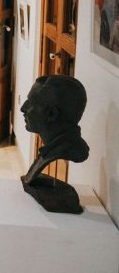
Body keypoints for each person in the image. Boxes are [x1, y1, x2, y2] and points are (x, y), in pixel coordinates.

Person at [19, 75, 90, 213]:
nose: (23, 108)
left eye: (31, 103)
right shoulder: (52, 148)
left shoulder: (71, 149)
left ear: (52, 114)